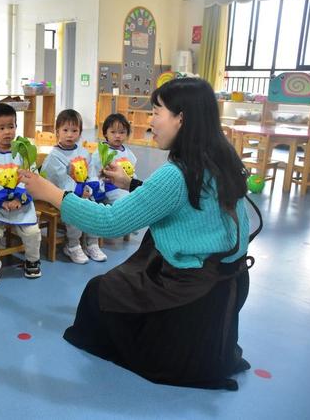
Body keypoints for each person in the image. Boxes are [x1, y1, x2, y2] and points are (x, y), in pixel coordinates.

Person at [19, 78, 261, 390]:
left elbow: (109, 222)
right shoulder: (222, 158)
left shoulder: (176, 174)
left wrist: (49, 192)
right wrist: (130, 184)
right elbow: (186, 201)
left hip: (190, 283)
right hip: (229, 279)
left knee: (98, 291)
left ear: (181, 118)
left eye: (157, 112)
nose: (150, 121)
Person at [0, 103, 42, 288]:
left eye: (11, 126)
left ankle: (32, 259)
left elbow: (30, 175)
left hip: (21, 204)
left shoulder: (23, 154)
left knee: (33, 232)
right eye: (1, 128)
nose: (7, 132)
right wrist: (2, 200)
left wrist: (20, 197)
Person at [41, 109, 106, 263]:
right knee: (75, 211)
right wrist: (78, 190)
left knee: (95, 209)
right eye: (65, 130)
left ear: (80, 132)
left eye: (74, 130)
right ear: (57, 131)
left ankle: (91, 243)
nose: (70, 135)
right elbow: (59, 179)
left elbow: (90, 171)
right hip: (61, 195)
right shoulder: (54, 156)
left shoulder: (83, 152)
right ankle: (73, 245)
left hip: (84, 192)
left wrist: (91, 185)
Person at [90, 113, 137, 204]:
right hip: (110, 188)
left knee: (139, 198)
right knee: (127, 202)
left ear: (127, 134)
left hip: (126, 185)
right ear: (105, 133)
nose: (118, 136)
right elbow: (94, 173)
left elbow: (132, 172)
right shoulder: (102, 152)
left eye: (122, 132)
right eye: (113, 132)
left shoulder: (128, 153)